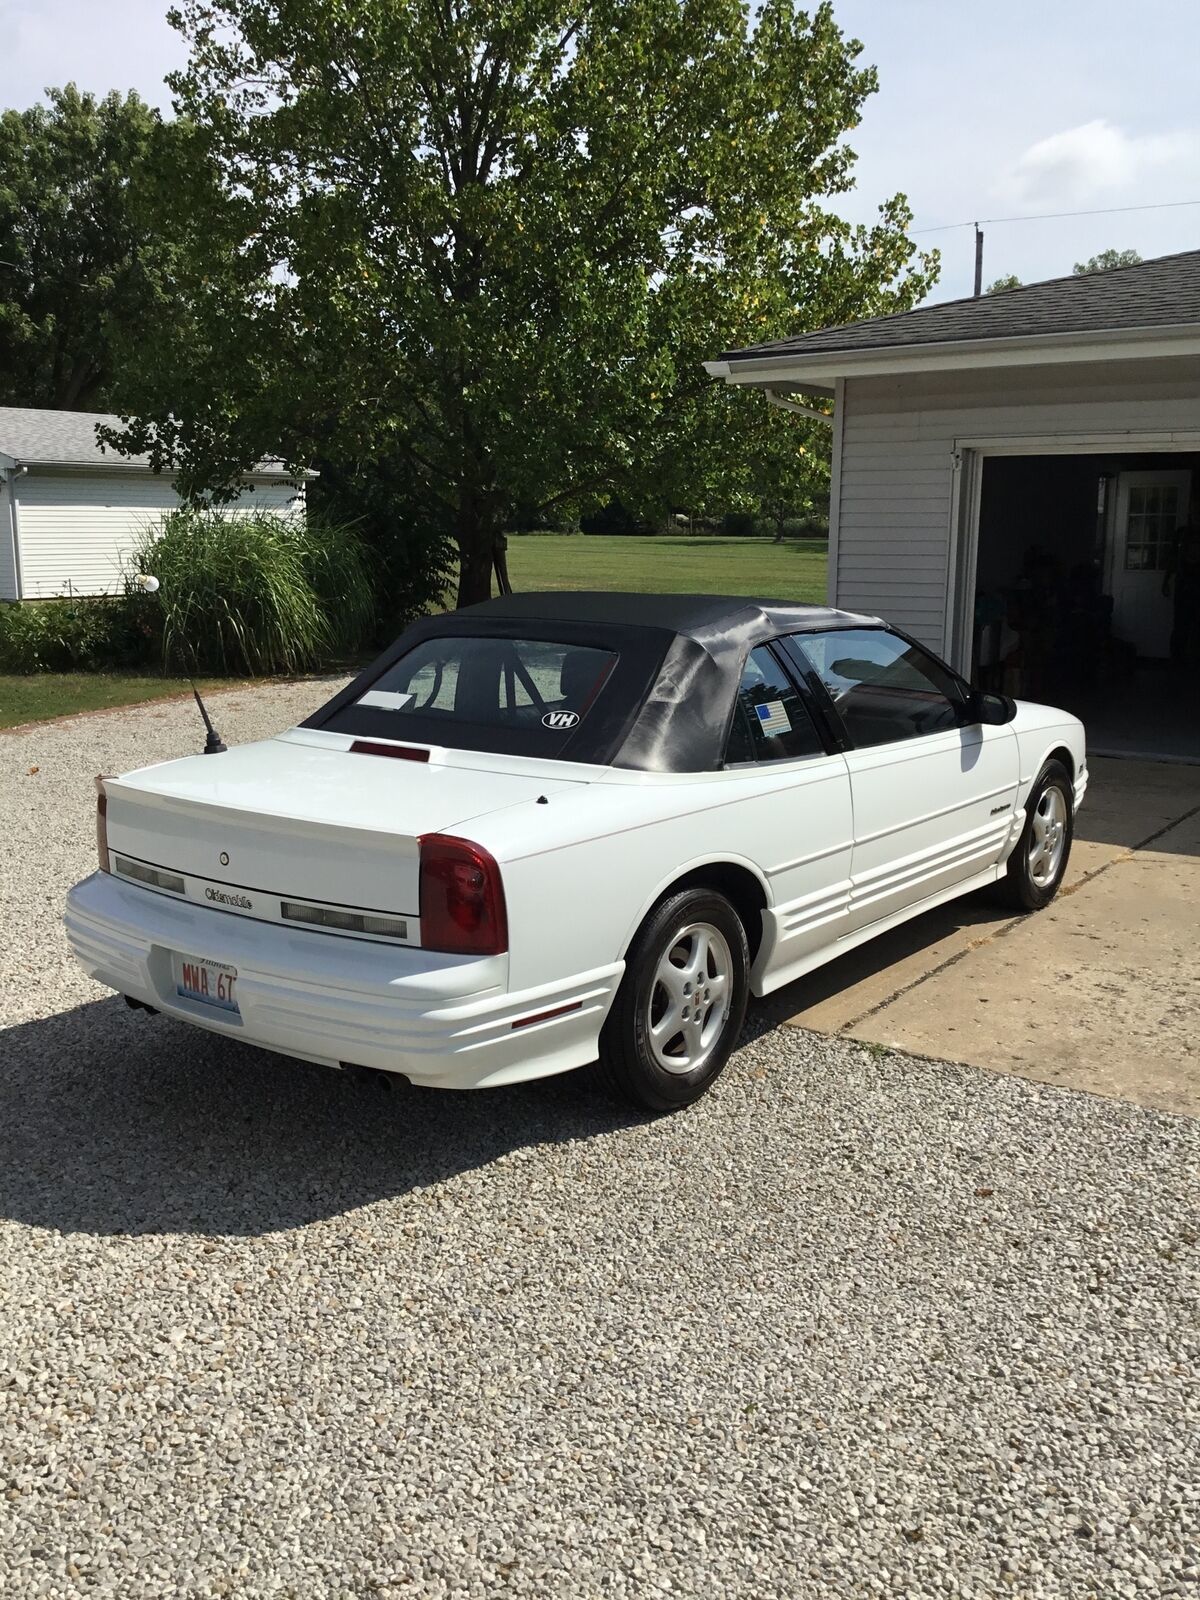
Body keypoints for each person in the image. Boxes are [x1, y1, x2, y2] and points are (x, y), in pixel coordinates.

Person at [1163, 519, 1200, 667]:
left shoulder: (1183, 534)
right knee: (1181, 625)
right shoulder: (1182, 533)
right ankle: (1178, 661)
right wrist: (1166, 580)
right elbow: (1173, 558)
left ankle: (1186, 661)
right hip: (1184, 585)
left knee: (1190, 626)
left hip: (1191, 584)